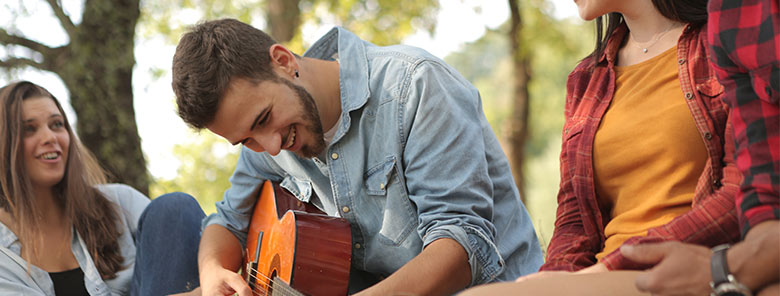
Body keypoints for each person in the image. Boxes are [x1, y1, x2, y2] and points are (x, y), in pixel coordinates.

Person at [171, 18, 544, 295]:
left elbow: (463, 245)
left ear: (283, 61)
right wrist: (212, 270)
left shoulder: (414, 85)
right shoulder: (267, 139)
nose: (270, 147)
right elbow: (227, 221)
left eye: (264, 120)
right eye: (246, 141)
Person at [536, 0, 742, 274]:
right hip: (603, 278)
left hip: (686, 272)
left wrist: (613, 268)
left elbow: (739, 193)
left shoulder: (723, 45)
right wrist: (554, 282)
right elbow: (573, 223)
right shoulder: (585, 79)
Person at [617, 1, 779, 295]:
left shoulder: (705, 44)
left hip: (683, 261)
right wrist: (556, 276)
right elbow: (764, 198)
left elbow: (735, 189)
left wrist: (722, 268)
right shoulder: (733, 12)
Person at [0, 81, 205, 296]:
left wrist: (213, 277)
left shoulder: (119, 203)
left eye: (57, 124)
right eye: (29, 129)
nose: (50, 137)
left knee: (175, 207)